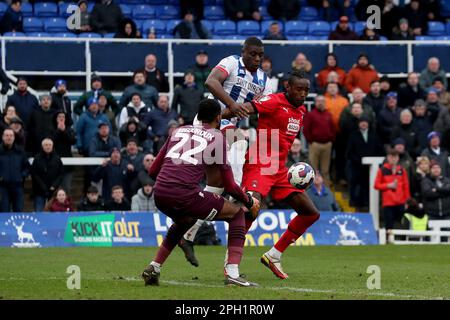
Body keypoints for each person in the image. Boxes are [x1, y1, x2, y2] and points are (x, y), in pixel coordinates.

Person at [141, 99, 260, 287]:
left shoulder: (178, 130)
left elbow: (152, 171)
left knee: (185, 220)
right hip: (184, 194)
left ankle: (154, 267)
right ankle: (233, 274)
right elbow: (229, 186)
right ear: (219, 117)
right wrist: (248, 200)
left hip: (160, 193)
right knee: (236, 213)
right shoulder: (217, 138)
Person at [180, 37, 273, 258]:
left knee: (217, 185)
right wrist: (232, 105)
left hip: (228, 126)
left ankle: (188, 234)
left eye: (260, 55)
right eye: (252, 54)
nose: (257, 58)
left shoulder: (264, 81)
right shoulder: (231, 62)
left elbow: (261, 108)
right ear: (243, 52)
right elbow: (211, 82)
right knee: (239, 145)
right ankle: (239, 197)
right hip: (208, 121)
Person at [230, 69, 321, 280]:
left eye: (306, 90)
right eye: (299, 89)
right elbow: (245, 108)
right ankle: (231, 264)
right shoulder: (273, 101)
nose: (303, 94)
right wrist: (217, 118)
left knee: (310, 213)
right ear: (287, 87)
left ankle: (274, 255)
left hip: (280, 169)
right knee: (251, 210)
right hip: (260, 163)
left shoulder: (300, 112)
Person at [346, 116, 382, 209]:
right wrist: (359, 160)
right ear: (359, 124)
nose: (363, 124)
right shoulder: (353, 135)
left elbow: (379, 149)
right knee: (356, 185)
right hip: (356, 166)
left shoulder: (374, 134)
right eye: (361, 122)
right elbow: (349, 152)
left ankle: (367, 203)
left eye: (365, 122)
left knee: (368, 186)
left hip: (371, 167)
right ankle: (355, 202)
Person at [303, 95, 336, 186]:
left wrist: (331, 140)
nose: (321, 103)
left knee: (325, 170)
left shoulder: (328, 114)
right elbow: (306, 130)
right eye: (319, 101)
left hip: (327, 145)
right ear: (315, 102)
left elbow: (333, 128)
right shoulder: (311, 114)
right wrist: (311, 141)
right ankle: (312, 190)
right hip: (315, 144)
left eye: (322, 101)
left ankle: (326, 190)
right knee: (313, 169)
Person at [375, 148, 411, 229]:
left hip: (401, 203)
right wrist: (388, 185)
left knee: (402, 224)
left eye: (395, 157)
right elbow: (376, 185)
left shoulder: (402, 170)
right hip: (388, 203)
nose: (393, 159)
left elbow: (406, 186)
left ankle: (402, 240)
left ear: (398, 158)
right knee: (389, 225)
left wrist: (407, 201)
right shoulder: (382, 170)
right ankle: (389, 241)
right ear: (387, 158)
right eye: (391, 157)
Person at [0, 128, 30, 212]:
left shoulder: (20, 151)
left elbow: (27, 167)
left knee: (18, 212)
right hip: (2, 188)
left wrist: (21, 176)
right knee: (3, 212)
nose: (9, 137)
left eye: (11, 136)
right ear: (3, 137)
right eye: (7, 135)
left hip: (18, 187)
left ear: (14, 138)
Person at [31, 138, 64, 212]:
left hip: (53, 192)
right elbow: (34, 174)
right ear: (42, 146)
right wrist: (43, 186)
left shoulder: (57, 158)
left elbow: (61, 173)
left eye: (50, 145)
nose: (48, 147)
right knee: (39, 213)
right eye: (46, 145)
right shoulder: (37, 158)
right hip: (39, 191)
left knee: (54, 213)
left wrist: (54, 185)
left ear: (52, 146)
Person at [52, 111, 76, 193]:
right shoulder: (51, 129)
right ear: (56, 119)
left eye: (63, 117)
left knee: (66, 189)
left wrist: (64, 131)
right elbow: (51, 141)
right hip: (54, 164)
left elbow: (72, 140)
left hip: (67, 165)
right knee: (54, 190)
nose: (61, 118)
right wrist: (58, 130)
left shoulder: (70, 130)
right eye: (59, 116)